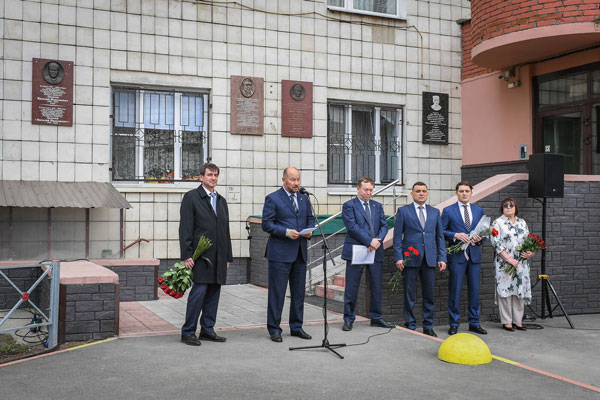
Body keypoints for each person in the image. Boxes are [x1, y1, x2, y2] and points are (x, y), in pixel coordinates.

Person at [179, 163, 233, 346]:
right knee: (199, 293)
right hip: (201, 256)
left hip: (219, 256)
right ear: (201, 177)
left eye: (216, 175)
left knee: (214, 293)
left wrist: (228, 256)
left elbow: (225, 230)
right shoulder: (192, 198)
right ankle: (188, 332)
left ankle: (207, 330)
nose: (213, 178)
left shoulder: (221, 200)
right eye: (210, 175)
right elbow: (185, 228)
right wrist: (187, 255)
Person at [262, 167, 315, 343]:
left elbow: (310, 218)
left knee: (299, 294)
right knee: (277, 293)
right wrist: (286, 232)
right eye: (292, 180)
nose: (296, 183)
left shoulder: (304, 198)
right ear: (283, 180)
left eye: (298, 179)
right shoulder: (273, 198)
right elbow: (267, 224)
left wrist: (309, 230)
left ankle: (296, 327)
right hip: (280, 254)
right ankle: (274, 329)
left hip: (299, 252)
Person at [393, 182, 447, 337]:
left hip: (430, 259)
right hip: (410, 259)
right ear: (412, 194)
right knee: (409, 294)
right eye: (418, 191)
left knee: (429, 295)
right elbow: (397, 237)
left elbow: (439, 237)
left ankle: (428, 325)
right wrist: (398, 257)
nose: (421, 193)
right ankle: (410, 323)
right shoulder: (403, 211)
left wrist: (442, 257)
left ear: (427, 193)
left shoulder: (435, 212)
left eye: (424, 191)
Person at [340, 177, 393, 331]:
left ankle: (376, 317)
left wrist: (377, 241)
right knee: (352, 286)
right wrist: (369, 241)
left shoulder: (377, 206)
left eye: (370, 190)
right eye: (365, 190)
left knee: (376, 285)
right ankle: (349, 319)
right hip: (357, 249)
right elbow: (352, 227)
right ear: (358, 189)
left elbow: (384, 225)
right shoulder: (349, 205)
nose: (368, 193)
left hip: (375, 250)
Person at [442, 181, 487, 335]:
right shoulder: (448, 211)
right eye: (461, 191)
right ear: (456, 193)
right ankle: (454, 323)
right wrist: (454, 234)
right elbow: (441, 231)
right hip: (457, 257)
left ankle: (474, 322)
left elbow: (484, 232)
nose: (464, 193)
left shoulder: (478, 210)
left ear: (471, 193)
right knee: (455, 291)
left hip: (474, 257)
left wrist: (480, 238)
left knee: (474, 291)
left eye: (467, 191)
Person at [490, 198, 535, 332]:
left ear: (516, 208)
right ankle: (507, 321)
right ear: (502, 208)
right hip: (504, 263)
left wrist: (531, 252)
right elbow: (496, 243)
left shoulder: (522, 222)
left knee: (519, 290)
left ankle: (518, 320)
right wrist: (509, 259)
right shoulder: (497, 223)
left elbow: (529, 240)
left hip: (521, 263)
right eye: (506, 205)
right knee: (505, 291)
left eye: (511, 205)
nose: (509, 207)